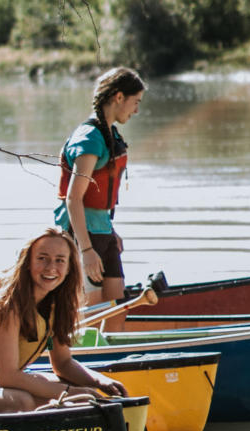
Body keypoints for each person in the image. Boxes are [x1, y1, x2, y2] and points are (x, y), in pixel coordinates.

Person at [0, 228, 128, 416]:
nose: (51, 268)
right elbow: (8, 376)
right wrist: (69, 392)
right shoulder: (7, 303)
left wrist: (100, 381)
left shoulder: (57, 304)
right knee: (22, 401)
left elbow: (63, 363)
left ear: (69, 268)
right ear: (27, 262)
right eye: (42, 259)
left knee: (82, 397)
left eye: (60, 260)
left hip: (0, 387)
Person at [54, 66, 146, 331]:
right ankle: (81, 363)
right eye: (135, 102)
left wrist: (110, 230)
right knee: (91, 311)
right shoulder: (90, 138)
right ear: (119, 97)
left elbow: (99, 199)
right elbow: (74, 198)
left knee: (117, 305)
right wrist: (85, 251)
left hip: (101, 231)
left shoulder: (110, 134)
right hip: (82, 236)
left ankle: (110, 358)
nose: (136, 110)